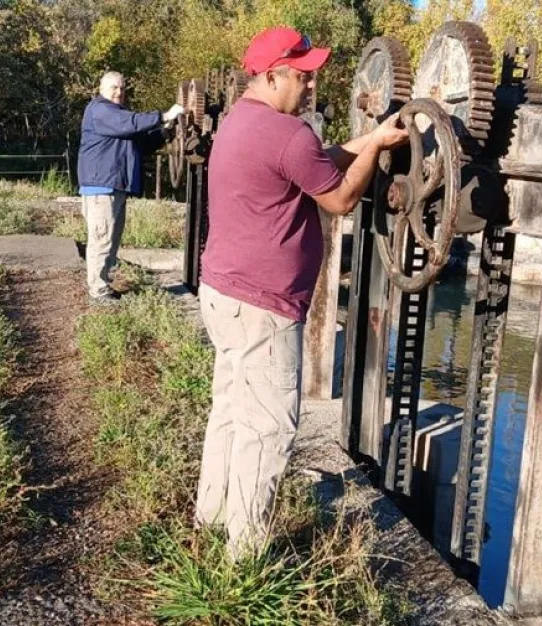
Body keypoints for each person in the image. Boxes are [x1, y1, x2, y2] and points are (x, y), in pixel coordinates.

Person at [195, 27, 410, 559]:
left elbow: (313, 160)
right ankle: (242, 559)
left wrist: (372, 138)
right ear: (271, 75)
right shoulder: (288, 133)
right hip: (264, 306)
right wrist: (377, 148)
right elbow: (338, 198)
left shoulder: (241, 123)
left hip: (222, 292)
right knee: (268, 428)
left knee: (231, 411)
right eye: (301, 73)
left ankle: (212, 521)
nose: (311, 83)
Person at [77, 71, 185, 305]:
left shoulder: (119, 116)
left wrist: (164, 130)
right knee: (102, 239)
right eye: (114, 87)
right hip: (101, 186)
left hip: (113, 185)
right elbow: (129, 124)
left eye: (122, 88)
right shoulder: (101, 110)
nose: (119, 92)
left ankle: (102, 286)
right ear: (101, 88)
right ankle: (98, 291)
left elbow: (139, 143)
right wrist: (162, 115)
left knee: (111, 240)